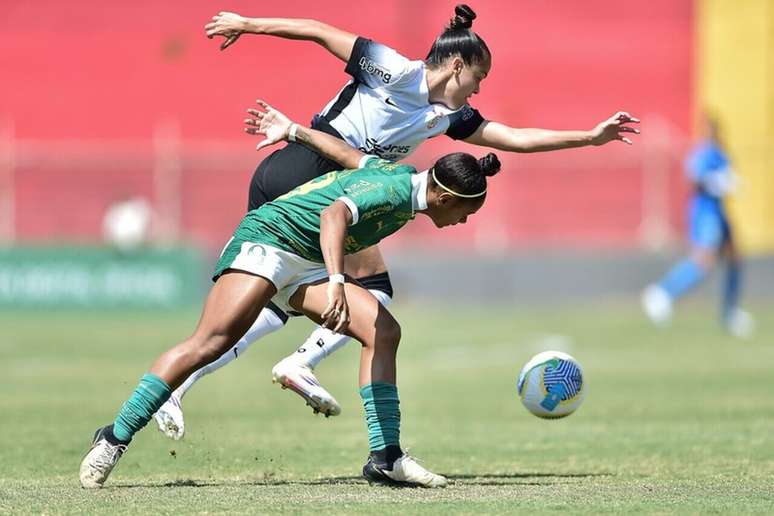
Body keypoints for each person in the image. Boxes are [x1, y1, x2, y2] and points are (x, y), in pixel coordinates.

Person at [153, 4, 641, 440]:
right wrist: (248, 23)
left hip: (342, 190)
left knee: (282, 304)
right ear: (456, 65)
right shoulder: (392, 70)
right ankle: (298, 363)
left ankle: (200, 382)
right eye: (479, 77)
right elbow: (320, 30)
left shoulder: (450, 116)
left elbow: (513, 137)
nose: (480, 88)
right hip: (304, 175)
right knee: (359, 292)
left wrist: (589, 137)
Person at [79, 100, 501, 489]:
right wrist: (337, 281)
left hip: (306, 261)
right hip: (271, 240)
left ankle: (385, 456)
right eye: (466, 212)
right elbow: (333, 216)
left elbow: (349, 157)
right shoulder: (395, 190)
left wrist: (295, 130)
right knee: (210, 342)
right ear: (445, 197)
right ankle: (114, 436)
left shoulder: (403, 180)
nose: (463, 222)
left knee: (384, 332)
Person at [641, 114, 754, 338]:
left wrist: (729, 182)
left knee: (735, 259)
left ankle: (729, 312)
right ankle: (662, 293)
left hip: (719, 212)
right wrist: (715, 182)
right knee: (703, 260)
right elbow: (694, 180)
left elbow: (726, 179)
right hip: (706, 213)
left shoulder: (721, 153)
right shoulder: (702, 153)